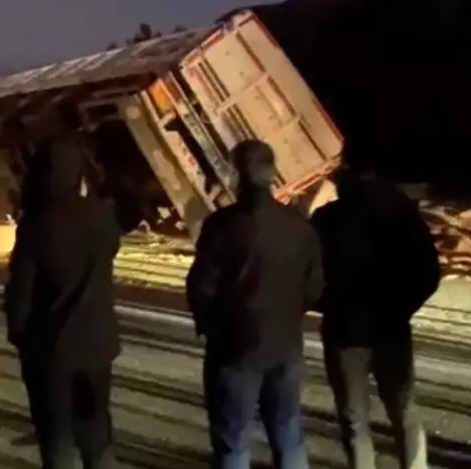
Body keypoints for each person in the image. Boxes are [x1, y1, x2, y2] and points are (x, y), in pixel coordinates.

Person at [186, 140, 324, 469]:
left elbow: (201, 288)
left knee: (233, 442)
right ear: (271, 174)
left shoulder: (220, 226)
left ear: (236, 176)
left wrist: (211, 328)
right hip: (285, 344)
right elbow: (315, 286)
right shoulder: (299, 227)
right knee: (289, 432)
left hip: (234, 351)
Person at [4, 138, 124, 468]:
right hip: (97, 346)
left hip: (51, 351)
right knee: (97, 431)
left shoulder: (36, 225)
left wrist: (20, 336)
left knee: (58, 439)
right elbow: (110, 249)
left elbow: (21, 293)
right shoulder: (101, 217)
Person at [311, 160, 438, 469]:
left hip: (344, 331)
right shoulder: (403, 217)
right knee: (403, 409)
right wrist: (402, 307)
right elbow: (428, 274)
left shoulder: (326, 220)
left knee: (355, 420)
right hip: (390, 329)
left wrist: (325, 303)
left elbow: (309, 274)